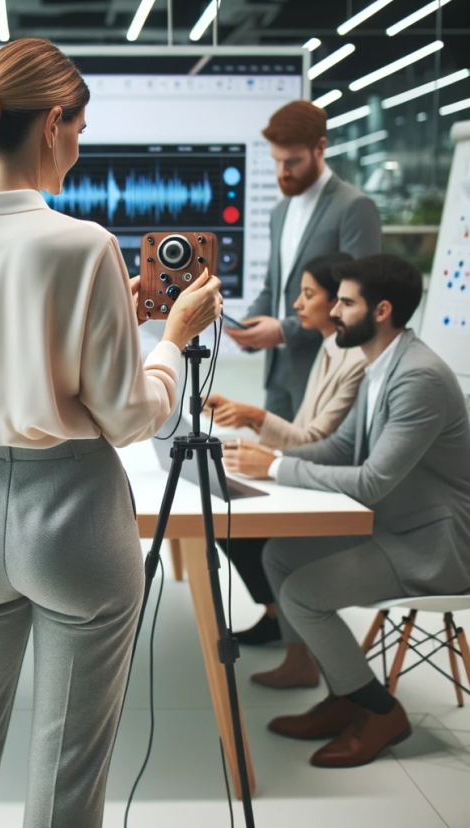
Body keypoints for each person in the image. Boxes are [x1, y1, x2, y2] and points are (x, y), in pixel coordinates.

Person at [0, 39, 223, 828]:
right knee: (68, 774)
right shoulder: (86, 245)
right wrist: (170, 337)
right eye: (79, 125)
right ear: (52, 126)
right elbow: (129, 415)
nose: (79, 143)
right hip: (75, 517)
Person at [225, 254, 470, 768]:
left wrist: (275, 470)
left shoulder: (418, 377)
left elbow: (373, 481)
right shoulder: (382, 362)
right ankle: (343, 696)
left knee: (302, 593)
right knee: (279, 556)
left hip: (432, 546)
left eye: (345, 302)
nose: (333, 311)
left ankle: (380, 712)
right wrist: (266, 462)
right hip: (395, 529)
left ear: (381, 310)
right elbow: (341, 450)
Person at [206, 253, 366, 648]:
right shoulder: (328, 350)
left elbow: (316, 441)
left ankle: (282, 619)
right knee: (228, 506)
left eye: (308, 294)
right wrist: (251, 420)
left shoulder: (356, 361)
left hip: (327, 484)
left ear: (338, 302)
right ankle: (278, 615)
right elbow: (306, 432)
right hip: (308, 467)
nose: (296, 305)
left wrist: (256, 419)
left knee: (233, 522)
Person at [226, 100, 381, 421]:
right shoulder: (280, 212)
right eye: (276, 161)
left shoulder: (355, 208)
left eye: (293, 161)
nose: (282, 172)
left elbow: (357, 301)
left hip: (326, 368)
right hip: (279, 371)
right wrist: (247, 325)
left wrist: (284, 331)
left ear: (320, 148)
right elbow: (275, 285)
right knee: (275, 465)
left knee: (314, 467)